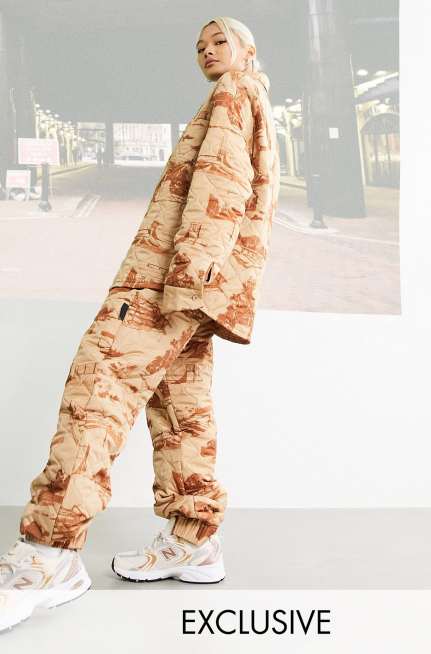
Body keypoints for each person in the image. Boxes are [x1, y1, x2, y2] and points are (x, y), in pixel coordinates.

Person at [0, 16, 280, 633]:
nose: (207, 51)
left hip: (168, 281)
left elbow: (221, 185)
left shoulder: (232, 93)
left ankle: (48, 555)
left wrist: (183, 278)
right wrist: (201, 285)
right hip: (202, 288)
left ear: (246, 49)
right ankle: (193, 539)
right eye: (200, 46)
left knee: (98, 387)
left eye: (220, 40)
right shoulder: (251, 98)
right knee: (181, 409)